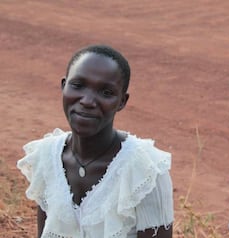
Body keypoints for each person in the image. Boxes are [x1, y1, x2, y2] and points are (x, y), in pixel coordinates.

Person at [17, 45, 174, 238]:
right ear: (63, 86)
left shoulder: (145, 171)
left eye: (106, 92)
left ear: (122, 102)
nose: (87, 101)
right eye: (78, 85)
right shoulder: (47, 158)